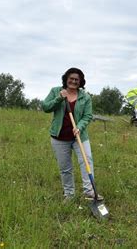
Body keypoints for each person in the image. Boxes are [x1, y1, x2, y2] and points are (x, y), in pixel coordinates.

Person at [42, 67, 103, 202]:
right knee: (65, 168)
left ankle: (90, 192)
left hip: (79, 137)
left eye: (77, 79)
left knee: (86, 162)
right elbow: (45, 107)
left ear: (80, 82)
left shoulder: (85, 97)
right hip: (59, 138)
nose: (74, 81)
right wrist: (59, 98)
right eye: (71, 79)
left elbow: (87, 116)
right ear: (66, 79)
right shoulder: (56, 91)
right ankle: (69, 194)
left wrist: (79, 127)